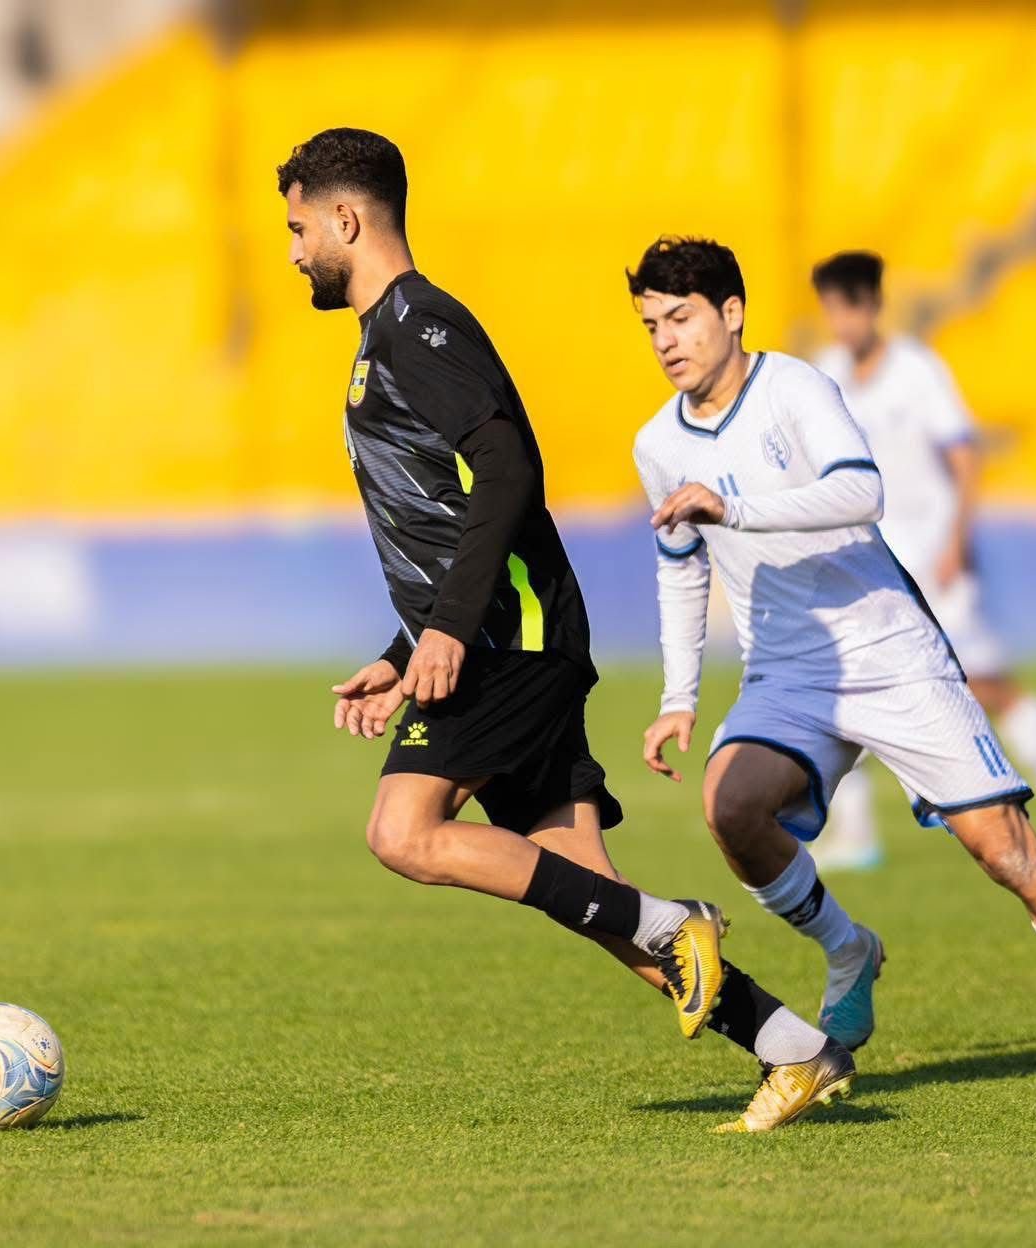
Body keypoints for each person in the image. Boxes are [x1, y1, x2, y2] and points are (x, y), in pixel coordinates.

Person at [278, 128, 852, 1133]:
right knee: (586, 890)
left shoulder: (421, 328)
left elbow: (507, 470)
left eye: (296, 228)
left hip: (511, 642)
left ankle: (680, 925)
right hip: (494, 635)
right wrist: (406, 647)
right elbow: (450, 517)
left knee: (403, 835)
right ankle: (792, 1047)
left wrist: (452, 630)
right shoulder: (390, 338)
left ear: (347, 219)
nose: (291, 252)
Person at [628, 235, 1036, 1078]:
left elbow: (864, 489)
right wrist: (679, 696)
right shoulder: (656, 445)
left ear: (731, 313)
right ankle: (849, 948)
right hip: (789, 670)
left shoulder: (796, 387)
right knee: (730, 807)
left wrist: (734, 509)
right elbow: (680, 569)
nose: (668, 339)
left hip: (889, 650)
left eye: (681, 318)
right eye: (651, 326)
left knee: (1004, 851)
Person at [811, 250, 1036, 870]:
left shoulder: (917, 372)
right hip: (873, 566)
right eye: (831, 311)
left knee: (988, 685)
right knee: (843, 690)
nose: (841, 324)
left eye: (849, 308)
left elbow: (966, 458)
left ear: (873, 306)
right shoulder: (827, 373)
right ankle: (857, 832)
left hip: (935, 559)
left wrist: (956, 542)